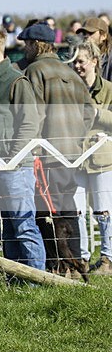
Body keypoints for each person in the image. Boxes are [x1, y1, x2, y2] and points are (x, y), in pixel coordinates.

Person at [20, 22, 95, 277]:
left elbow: (34, 115)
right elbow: (89, 112)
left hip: (46, 154)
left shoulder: (34, 71)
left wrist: (32, 147)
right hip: (71, 153)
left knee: (48, 214)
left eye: (26, 44)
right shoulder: (70, 72)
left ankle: (57, 266)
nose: (24, 49)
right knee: (68, 209)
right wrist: (77, 139)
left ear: (34, 44)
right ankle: (75, 265)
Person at [0, 25, 45, 271]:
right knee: (6, 229)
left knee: (24, 226)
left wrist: (12, 159)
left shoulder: (16, 81)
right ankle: (16, 280)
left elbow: (29, 123)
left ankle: (38, 282)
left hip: (14, 169)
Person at [71, 40, 112, 275]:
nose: (77, 66)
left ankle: (108, 259)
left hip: (102, 160)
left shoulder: (109, 90)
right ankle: (81, 259)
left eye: (81, 61)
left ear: (94, 62)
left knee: (104, 211)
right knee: (77, 212)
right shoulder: (70, 91)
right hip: (76, 158)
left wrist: (98, 114)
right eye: (74, 61)